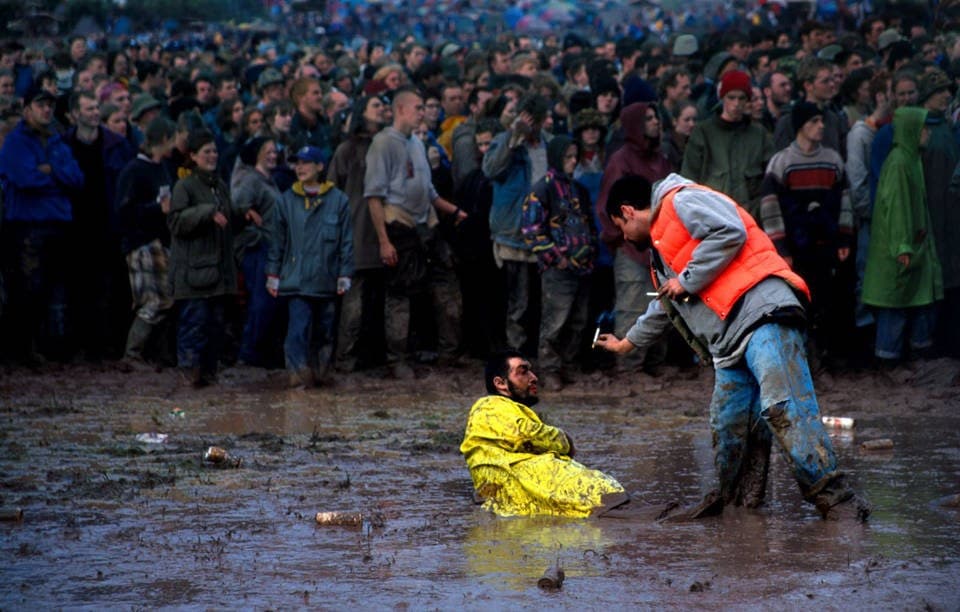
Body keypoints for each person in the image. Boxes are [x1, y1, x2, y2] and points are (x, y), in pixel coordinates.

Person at [595, 173, 870, 521]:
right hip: (730, 340)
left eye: (620, 226)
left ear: (628, 211)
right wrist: (626, 342)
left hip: (762, 312)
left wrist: (688, 279)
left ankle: (838, 500)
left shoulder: (681, 201)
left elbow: (730, 231)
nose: (624, 236)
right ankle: (739, 505)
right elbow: (667, 304)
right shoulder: (660, 253)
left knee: (783, 407)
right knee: (729, 423)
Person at [363, 88, 466, 378]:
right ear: (401, 110)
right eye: (418, 107)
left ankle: (450, 354)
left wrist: (454, 212)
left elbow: (429, 191)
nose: (423, 112)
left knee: (446, 287)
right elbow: (373, 196)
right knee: (399, 295)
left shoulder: (417, 144)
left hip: (428, 225)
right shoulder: (383, 144)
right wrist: (384, 241)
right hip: (400, 226)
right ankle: (397, 360)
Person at [460, 350, 626, 518]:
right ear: (500, 383)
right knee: (600, 488)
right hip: (512, 479)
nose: (533, 377)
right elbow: (526, 435)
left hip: (509, 484)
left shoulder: (503, 409)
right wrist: (564, 440)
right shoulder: (491, 405)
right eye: (523, 372)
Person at [0, 84, 84, 364]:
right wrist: (57, 180)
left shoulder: (58, 141)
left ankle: (53, 349)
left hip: (59, 224)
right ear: (27, 109)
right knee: (28, 289)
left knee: (57, 288)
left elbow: (77, 179)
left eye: (50, 105)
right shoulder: (15, 142)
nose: (47, 109)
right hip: (28, 227)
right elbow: (25, 179)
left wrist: (51, 172)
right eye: (40, 105)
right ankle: (22, 350)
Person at [862, 107, 942, 368]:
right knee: (894, 307)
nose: (927, 133)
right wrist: (902, 246)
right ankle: (888, 358)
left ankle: (913, 355)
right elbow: (895, 209)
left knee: (913, 302)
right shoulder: (899, 163)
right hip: (900, 248)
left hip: (912, 245)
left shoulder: (911, 159)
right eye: (923, 128)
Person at [266, 145, 353, 388]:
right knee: (298, 331)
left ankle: (320, 374)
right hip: (296, 281)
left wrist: (345, 273)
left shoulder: (339, 201)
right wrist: (272, 274)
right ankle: (297, 377)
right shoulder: (286, 201)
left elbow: (346, 241)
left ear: (320, 167)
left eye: (306, 162)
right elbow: (277, 242)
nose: (300, 168)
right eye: (297, 163)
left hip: (327, 280)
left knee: (324, 332)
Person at [521, 135, 596, 390]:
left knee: (579, 320)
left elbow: (589, 224)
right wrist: (556, 258)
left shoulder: (580, 190)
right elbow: (531, 230)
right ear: (556, 158)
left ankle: (569, 364)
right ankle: (550, 368)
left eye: (575, 156)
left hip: (583, 267)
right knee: (555, 320)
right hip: (558, 269)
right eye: (568, 157)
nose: (573, 162)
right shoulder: (542, 189)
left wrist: (590, 251)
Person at [167, 129, 240, 387]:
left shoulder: (219, 185)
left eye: (214, 151)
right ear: (193, 156)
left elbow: (228, 218)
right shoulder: (184, 186)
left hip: (217, 275)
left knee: (215, 329)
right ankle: (189, 379)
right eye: (206, 152)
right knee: (193, 327)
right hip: (193, 276)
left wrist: (244, 214)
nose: (212, 156)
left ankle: (208, 380)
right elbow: (175, 222)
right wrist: (207, 212)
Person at [115, 116, 177, 367]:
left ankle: (156, 354)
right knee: (152, 300)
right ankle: (132, 354)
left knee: (167, 298)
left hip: (160, 243)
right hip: (140, 243)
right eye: (172, 139)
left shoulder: (161, 168)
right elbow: (124, 212)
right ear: (163, 139)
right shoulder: (134, 170)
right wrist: (157, 209)